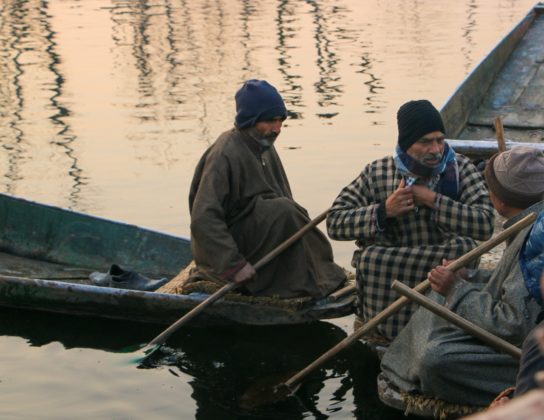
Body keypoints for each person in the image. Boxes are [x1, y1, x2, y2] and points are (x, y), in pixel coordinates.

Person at [380, 146, 544, 407]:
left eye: (490, 188)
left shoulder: (534, 238)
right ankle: (406, 360)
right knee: (436, 294)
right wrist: (470, 276)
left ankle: (416, 368)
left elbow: (514, 326)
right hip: (524, 335)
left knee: (436, 360)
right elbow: (515, 286)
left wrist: (457, 289)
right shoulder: (531, 220)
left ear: (501, 200)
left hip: (530, 353)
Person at [326, 99, 494, 339]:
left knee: (464, 252)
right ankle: (385, 334)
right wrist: (384, 211)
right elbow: (335, 223)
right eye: (425, 142)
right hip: (391, 274)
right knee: (372, 259)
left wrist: (433, 200)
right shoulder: (378, 172)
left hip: (443, 265)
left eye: (439, 139)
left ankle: (444, 335)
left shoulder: (460, 169)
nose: (436, 149)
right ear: (406, 144)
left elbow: (486, 224)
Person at [188, 79, 345, 298]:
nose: (277, 128)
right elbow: (204, 218)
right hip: (231, 248)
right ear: (250, 120)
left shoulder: (264, 147)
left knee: (292, 212)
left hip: (261, 239)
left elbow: (285, 199)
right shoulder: (225, 153)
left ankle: (319, 276)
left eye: (281, 121)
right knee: (283, 210)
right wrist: (234, 266)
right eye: (270, 121)